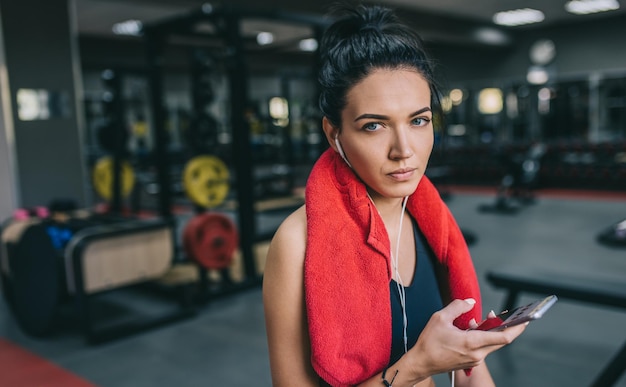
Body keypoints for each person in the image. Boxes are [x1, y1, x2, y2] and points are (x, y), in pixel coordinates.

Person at [263, 4, 527, 386]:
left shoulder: (430, 221)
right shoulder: (296, 242)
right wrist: (417, 366)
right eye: (374, 126)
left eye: (418, 120)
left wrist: (471, 354)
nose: (404, 149)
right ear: (334, 134)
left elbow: (470, 372)